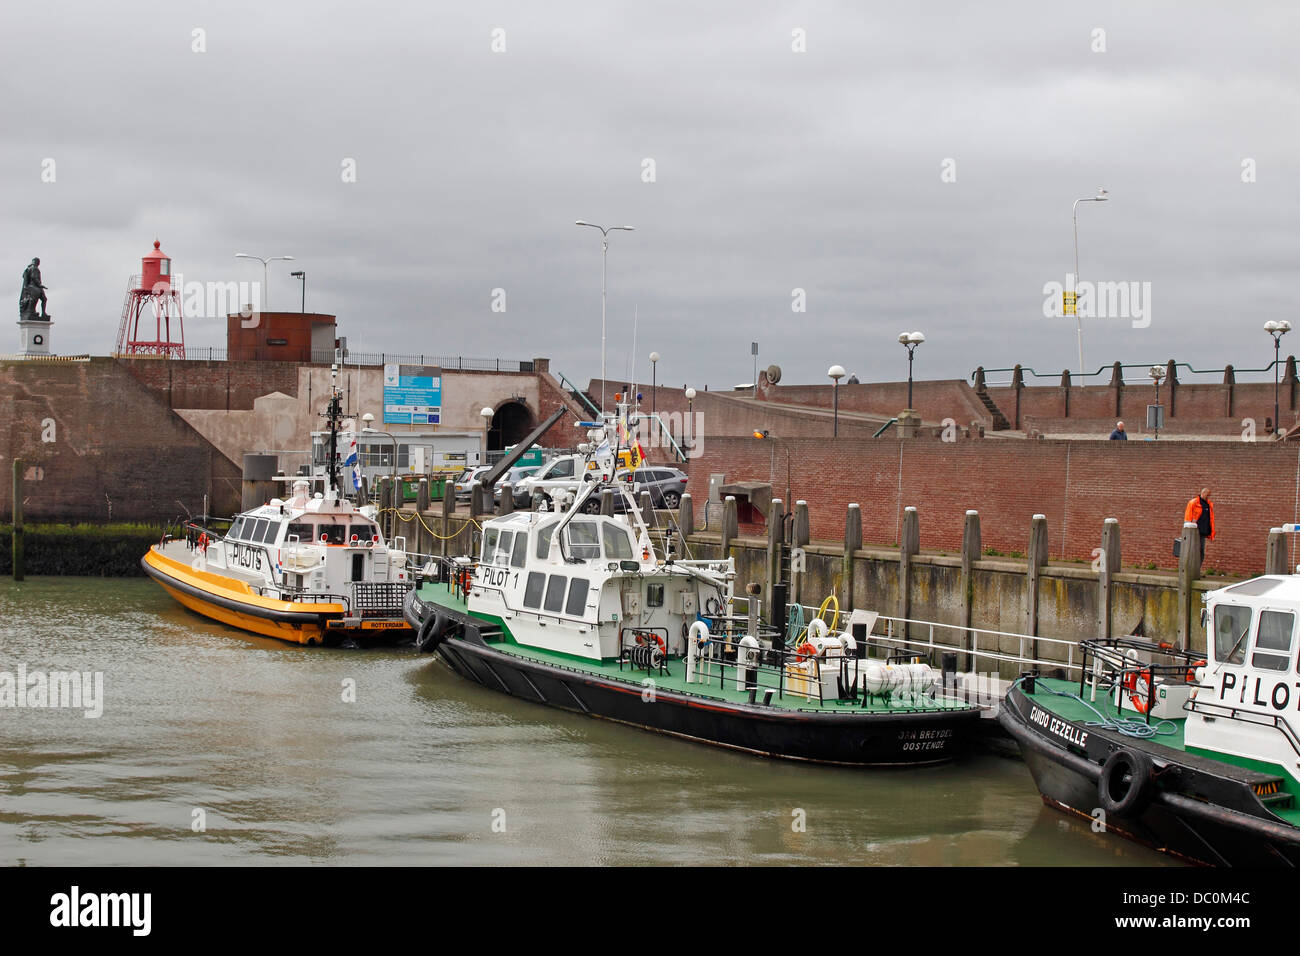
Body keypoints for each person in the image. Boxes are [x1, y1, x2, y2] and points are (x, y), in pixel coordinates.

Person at [1184, 488, 1215, 562]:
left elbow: (1210, 519)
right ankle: (1191, 568)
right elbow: (1188, 517)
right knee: (1193, 550)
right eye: (1207, 495)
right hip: (1194, 531)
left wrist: (1211, 532)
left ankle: (1197, 569)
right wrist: (1190, 527)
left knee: (1201, 551)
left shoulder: (1208, 504)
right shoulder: (1193, 502)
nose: (1208, 497)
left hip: (1203, 531)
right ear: (1203, 493)